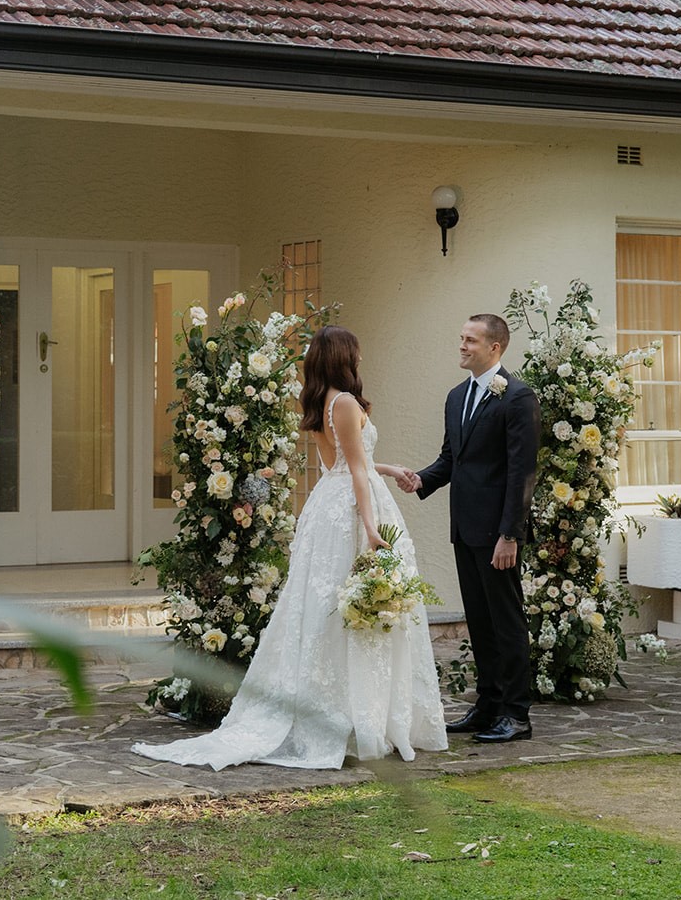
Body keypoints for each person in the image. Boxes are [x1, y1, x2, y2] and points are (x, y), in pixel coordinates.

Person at [132, 325, 447, 770]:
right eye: (355, 354)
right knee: (352, 607)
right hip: (352, 510)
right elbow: (355, 470)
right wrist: (372, 528)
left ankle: (352, 713)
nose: (360, 361)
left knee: (328, 608)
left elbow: (347, 460)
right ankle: (356, 718)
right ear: (342, 358)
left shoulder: (324, 401)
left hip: (330, 505)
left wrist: (390, 468)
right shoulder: (346, 403)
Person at [399, 313, 539, 743]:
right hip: (465, 529)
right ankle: (488, 705)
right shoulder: (457, 396)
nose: (462, 346)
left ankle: (516, 714)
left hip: (499, 535)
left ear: (494, 348)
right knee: (480, 622)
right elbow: (452, 460)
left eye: (470, 340)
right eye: (460, 338)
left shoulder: (518, 398)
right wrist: (422, 479)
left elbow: (522, 472)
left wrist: (510, 534)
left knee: (506, 623)